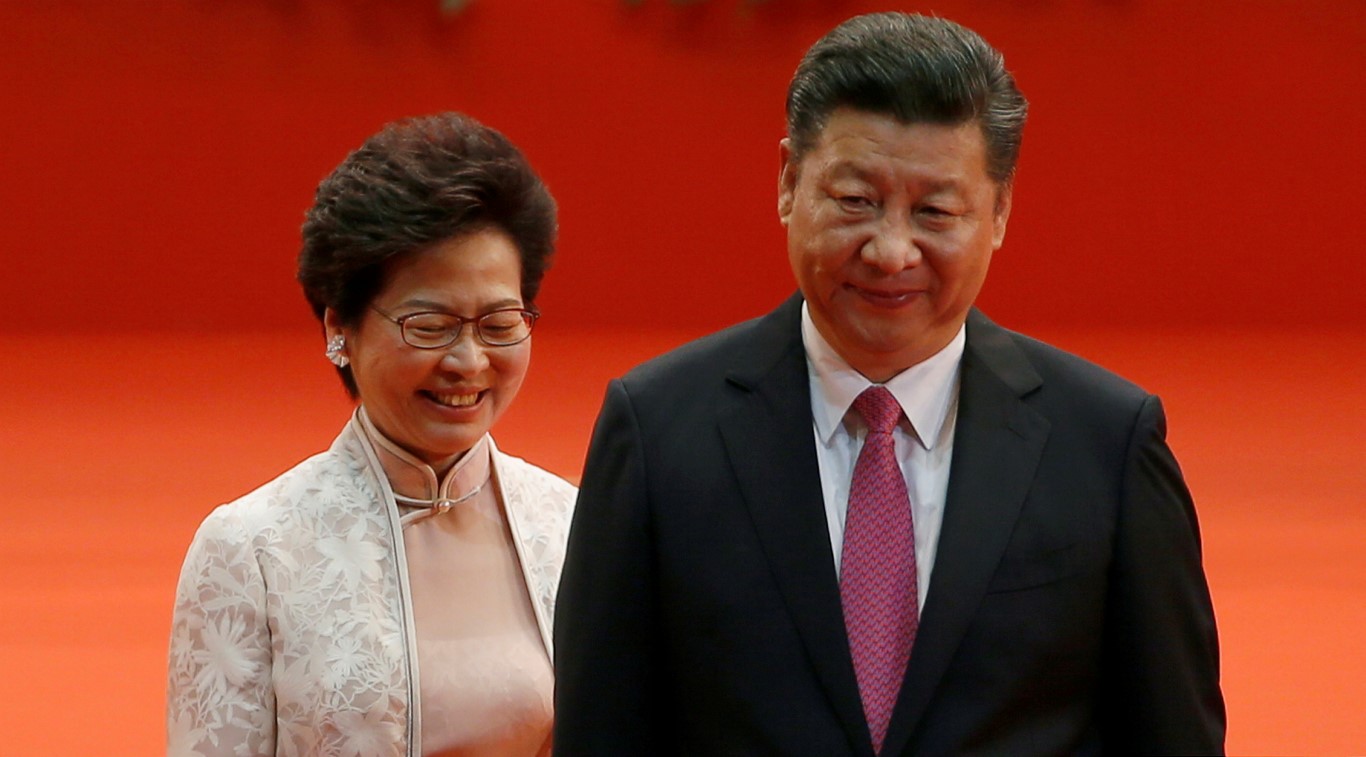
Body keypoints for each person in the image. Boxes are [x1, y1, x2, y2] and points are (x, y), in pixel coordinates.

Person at [554, 12, 1224, 756]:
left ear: (999, 211)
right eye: (855, 201)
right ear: (787, 182)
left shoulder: (1106, 444)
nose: (891, 249)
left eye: (935, 211)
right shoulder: (656, 432)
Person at [166, 112, 575, 756]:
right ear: (340, 328)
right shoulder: (253, 551)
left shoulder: (572, 528)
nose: (468, 362)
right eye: (430, 325)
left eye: (498, 324)